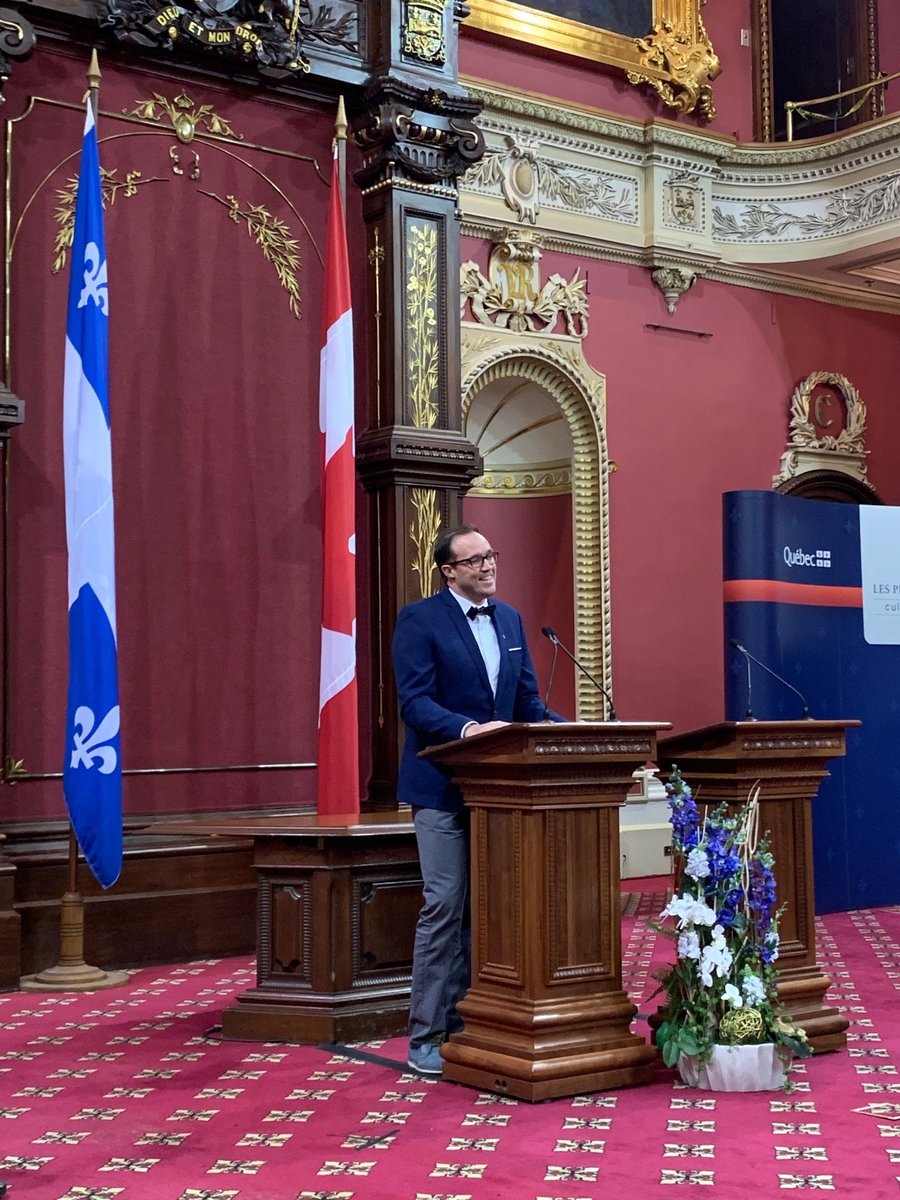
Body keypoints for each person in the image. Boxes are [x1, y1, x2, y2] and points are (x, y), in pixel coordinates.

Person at [392, 523, 559, 1075]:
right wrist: (467, 730)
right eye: (475, 560)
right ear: (449, 571)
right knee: (444, 906)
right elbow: (414, 702)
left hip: (502, 794)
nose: (489, 566)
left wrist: (576, 733)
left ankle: (472, 1020)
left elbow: (527, 703)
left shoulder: (509, 618)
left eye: (492, 555)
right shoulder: (420, 620)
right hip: (441, 788)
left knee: (487, 911)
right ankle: (426, 1034)